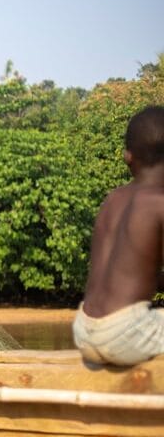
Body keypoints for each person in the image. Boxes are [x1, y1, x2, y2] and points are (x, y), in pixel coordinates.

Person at [73, 106, 164, 366]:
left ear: (128, 157)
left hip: (85, 330)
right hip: (125, 334)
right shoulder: (159, 202)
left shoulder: (113, 200)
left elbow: (129, 273)